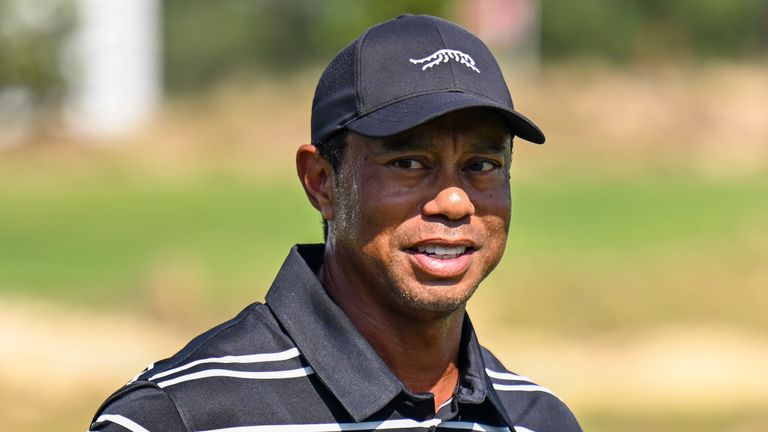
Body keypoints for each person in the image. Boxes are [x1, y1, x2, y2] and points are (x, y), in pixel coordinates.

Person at [89, 14, 582, 432]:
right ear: (322, 182)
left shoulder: (538, 420)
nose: (454, 201)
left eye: (483, 165)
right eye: (410, 163)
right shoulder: (179, 417)